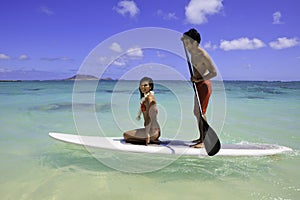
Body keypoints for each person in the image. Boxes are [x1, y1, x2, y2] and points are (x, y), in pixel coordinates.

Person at [181, 28, 217, 148]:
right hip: (197, 85)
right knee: (196, 112)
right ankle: (201, 137)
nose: (186, 46)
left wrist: (199, 79)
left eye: (187, 43)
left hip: (204, 85)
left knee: (201, 113)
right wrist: (194, 77)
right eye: (185, 44)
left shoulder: (203, 55)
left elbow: (213, 73)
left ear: (195, 43)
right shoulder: (192, 53)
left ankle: (205, 141)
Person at [123, 77, 161, 145]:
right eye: (141, 85)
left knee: (126, 135)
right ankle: (154, 139)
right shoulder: (146, 98)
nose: (143, 87)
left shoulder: (149, 98)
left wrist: (147, 135)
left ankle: (152, 139)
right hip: (154, 131)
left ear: (150, 87)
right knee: (127, 135)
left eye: (145, 85)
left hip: (152, 131)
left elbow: (150, 116)